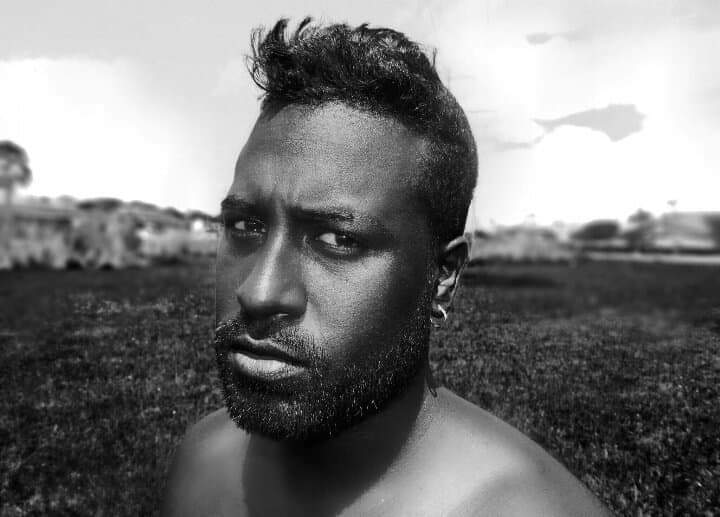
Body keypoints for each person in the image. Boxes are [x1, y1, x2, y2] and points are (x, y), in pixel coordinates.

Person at [162, 18, 610, 516]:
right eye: (246, 226)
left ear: (444, 276)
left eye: (338, 240)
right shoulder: (200, 463)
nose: (259, 291)